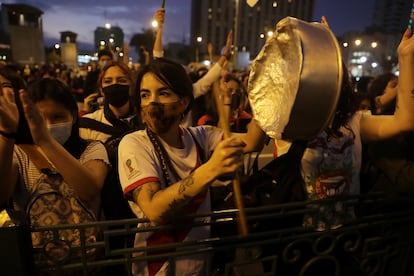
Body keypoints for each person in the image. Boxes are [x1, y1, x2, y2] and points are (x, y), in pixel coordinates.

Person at [118, 57, 266, 275]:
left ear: (184, 102)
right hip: (159, 267)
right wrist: (211, 169)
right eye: (145, 95)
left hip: (200, 263)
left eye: (164, 93)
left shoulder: (201, 136)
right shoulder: (134, 143)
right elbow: (153, 209)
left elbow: (253, 141)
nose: (152, 103)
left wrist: (266, 96)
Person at [274, 18, 414, 231]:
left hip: (347, 236)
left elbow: (404, 122)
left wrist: (406, 57)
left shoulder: (355, 122)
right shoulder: (290, 122)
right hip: (299, 238)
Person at [0, 74, 109, 229]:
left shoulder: (92, 149)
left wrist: (45, 140)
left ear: (74, 116)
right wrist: (6, 135)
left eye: (58, 117)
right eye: (39, 118)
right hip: (34, 250)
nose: (49, 124)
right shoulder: (20, 154)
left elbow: (89, 190)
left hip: (86, 249)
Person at [153, 7, 233, 127]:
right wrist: (159, 28)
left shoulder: (188, 92)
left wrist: (225, 56)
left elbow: (207, 80)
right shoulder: (160, 94)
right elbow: (157, 59)